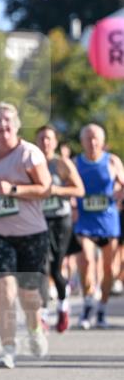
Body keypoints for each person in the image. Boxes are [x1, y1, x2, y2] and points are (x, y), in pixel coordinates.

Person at [0, 102, 52, 369]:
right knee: (4, 289)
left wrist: (15, 190)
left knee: (29, 296)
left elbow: (45, 188)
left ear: (16, 125)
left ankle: (35, 328)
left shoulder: (29, 154)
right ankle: (7, 348)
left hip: (31, 232)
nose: (3, 126)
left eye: (7, 121)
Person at [35, 125, 85, 332]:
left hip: (60, 221)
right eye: (41, 139)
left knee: (55, 269)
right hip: (38, 221)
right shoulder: (31, 164)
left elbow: (79, 190)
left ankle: (63, 306)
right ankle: (43, 314)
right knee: (42, 267)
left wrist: (55, 189)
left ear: (55, 142)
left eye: (49, 138)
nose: (45, 142)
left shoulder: (61, 164)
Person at [74, 124, 124, 329]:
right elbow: (70, 186)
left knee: (109, 269)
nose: (92, 142)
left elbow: (122, 184)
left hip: (108, 221)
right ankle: (87, 305)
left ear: (102, 141)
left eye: (96, 138)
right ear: (82, 141)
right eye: (88, 138)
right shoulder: (76, 162)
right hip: (84, 220)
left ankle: (102, 308)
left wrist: (119, 191)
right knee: (86, 260)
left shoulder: (112, 161)